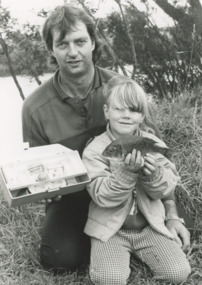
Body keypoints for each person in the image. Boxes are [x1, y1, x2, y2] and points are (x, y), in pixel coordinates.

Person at [22, 4, 190, 272]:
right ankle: (108, 243)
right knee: (59, 258)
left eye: (80, 41)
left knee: (185, 218)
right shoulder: (34, 107)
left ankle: (141, 234)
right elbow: (36, 168)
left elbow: (155, 151)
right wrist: (43, 189)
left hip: (137, 183)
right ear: (51, 49)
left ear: (92, 43)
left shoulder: (121, 91)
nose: (73, 52)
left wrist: (172, 213)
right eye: (63, 44)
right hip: (77, 194)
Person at [82, 76, 191, 284]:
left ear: (142, 116)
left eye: (133, 110)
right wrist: (127, 173)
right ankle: (112, 259)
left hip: (149, 226)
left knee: (178, 273)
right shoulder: (95, 150)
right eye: (119, 109)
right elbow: (102, 196)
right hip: (110, 230)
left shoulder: (152, 143)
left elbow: (166, 189)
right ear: (106, 112)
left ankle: (143, 253)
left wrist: (154, 174)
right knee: (109, 279)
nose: (126, 115)